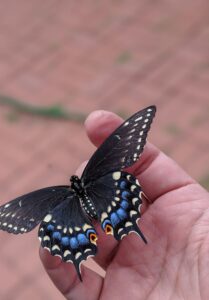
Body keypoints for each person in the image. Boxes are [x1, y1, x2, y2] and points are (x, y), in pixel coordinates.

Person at [39, 110, 209, 300]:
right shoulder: (93, 170)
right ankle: (114, 222)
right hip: (109, 199)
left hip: (98, 201)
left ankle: (100, 230)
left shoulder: (56, 195)